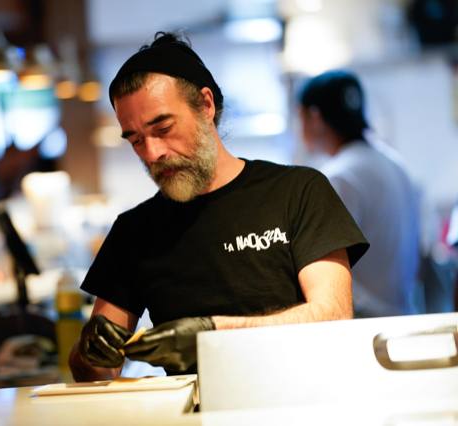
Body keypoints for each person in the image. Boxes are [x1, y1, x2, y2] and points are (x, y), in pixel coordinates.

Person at [69, 32, 368, 382]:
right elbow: (97, 372)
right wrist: (88, 352)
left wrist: (209, 334)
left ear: (206, 105)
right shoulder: (135, 231)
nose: (152, 153)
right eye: (135, 140)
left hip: (302, 403)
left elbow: (333, 316)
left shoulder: (298, 191)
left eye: (163, 128)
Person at [297, 69, 421, 318]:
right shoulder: (394, 163)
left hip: (367, 328)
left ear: (314, 117)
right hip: (406, 316)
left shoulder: (338, 177)